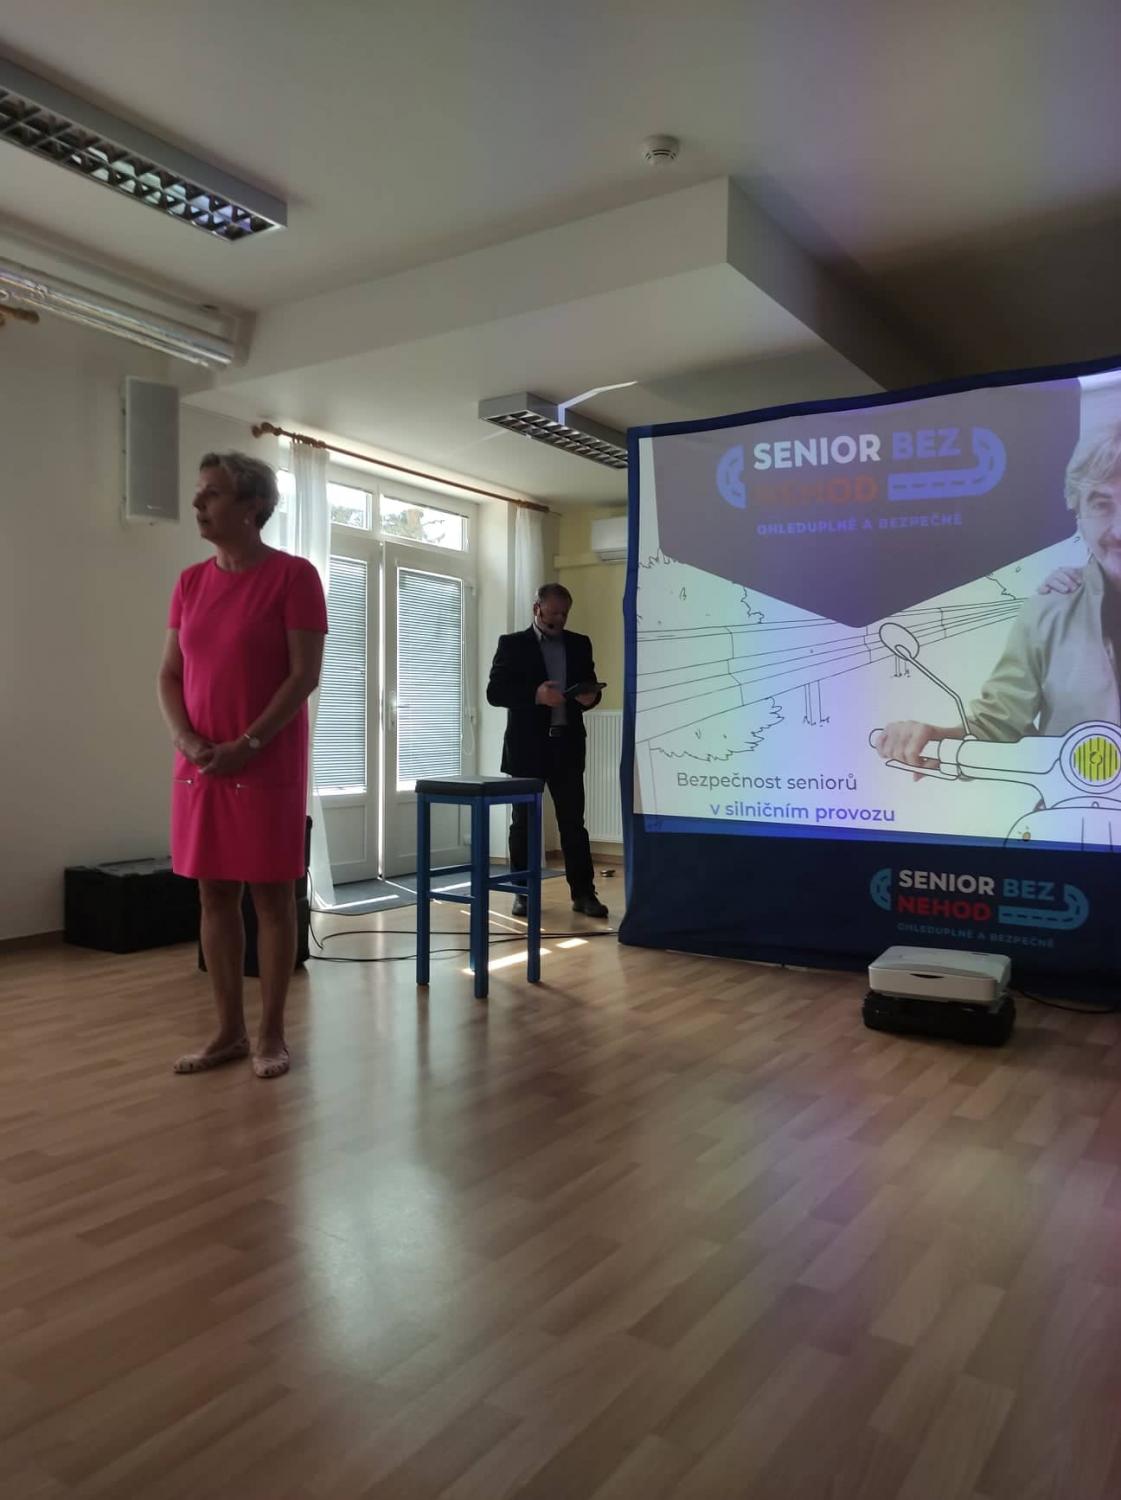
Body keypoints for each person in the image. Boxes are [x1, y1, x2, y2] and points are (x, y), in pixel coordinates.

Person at [157, 453, 327, 1079]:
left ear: (253, 507)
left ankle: (271, 1033)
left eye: (212, 494)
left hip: (265, 761)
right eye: (199, 493)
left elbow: (303, 675)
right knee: (214, 893)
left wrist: (249, 744)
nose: (198, 504)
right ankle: (228, 1031)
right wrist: (185, 738)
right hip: (201, 763)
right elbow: (169, 674)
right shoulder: (189, 583)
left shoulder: (293, 577)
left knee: (272, 896)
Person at [876, 421, 1121, 773]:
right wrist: (932, 740)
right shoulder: (1051, 609)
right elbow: (996, 729)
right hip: (1074, 808)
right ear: (1077, 511)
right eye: (1101, 504)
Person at [487, 583, 609, 918]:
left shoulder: (579, 643)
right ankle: (522, 893)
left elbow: (590, 687)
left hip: (567, 745)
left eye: (564, 614)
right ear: (536, 608)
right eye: (553, 612)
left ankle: (584, 894)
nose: (559, 619)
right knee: (524, 824)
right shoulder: (512, 644)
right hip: (527, 749)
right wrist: (536, 695)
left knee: (573, 823)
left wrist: (591, 698)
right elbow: (495, 692)